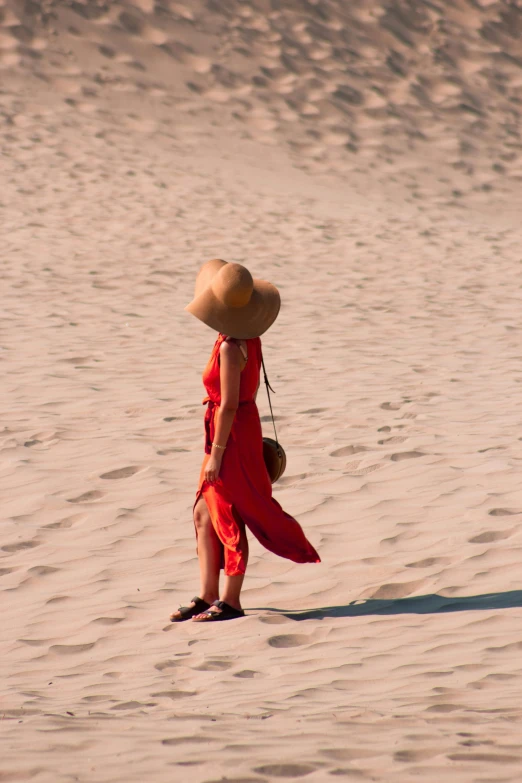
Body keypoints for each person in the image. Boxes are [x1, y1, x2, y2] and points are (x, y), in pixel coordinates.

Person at [170, 259, 320, 623]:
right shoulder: (246, 337)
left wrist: (216, 456)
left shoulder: (229, 347)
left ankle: (231, 600)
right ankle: (207, 594)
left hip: (231, 435)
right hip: (239, 430)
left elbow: (229, 406)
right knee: (204, 512)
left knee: (227, 515)